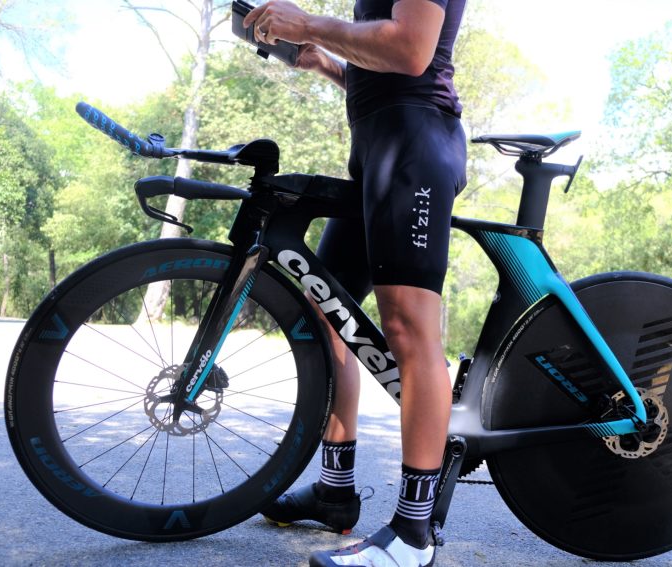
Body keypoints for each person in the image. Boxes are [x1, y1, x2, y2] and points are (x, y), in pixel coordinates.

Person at [243, 1, 466, 565]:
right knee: (328, 308)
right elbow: (382, 64)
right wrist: (326, 63)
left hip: (415, 142)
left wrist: (308, 25)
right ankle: (334, 491)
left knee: (408, 327)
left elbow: (411, 50)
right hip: (378, 142)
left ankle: (413, 534)